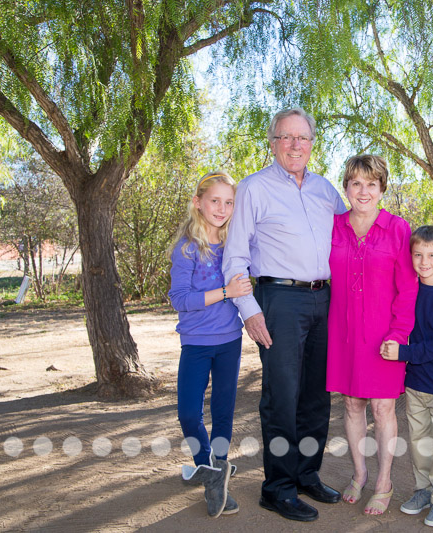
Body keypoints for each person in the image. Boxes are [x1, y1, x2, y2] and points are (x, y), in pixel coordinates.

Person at [222, 108, 347, 522]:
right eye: (287, 137)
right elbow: (235, 256)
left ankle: (306, 475)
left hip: (324, 300)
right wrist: (250, 311)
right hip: (278, 301)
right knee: (282, 398)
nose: (296, 145)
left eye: (303, 138)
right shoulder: (254, 189)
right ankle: (276, 488)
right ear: (273, 143)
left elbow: (350, 240)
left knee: (315, 397)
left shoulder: (327, 191)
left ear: (313, 143)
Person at [327, 154, 419, 515]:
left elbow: (408, 289)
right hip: (344, 332)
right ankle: (360, 473)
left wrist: (398, 335)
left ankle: (384, 481)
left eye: (371, 184)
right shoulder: (332, 226)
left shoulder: (398, 229)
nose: (363, 191)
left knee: (383, 408)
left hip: (385, 335)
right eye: (355, 183)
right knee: (351, 404)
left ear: (382, 189)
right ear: (346, 187)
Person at [167, 171, 253, 518]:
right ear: (198, 203)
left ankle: (216, 480)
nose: (221, 208)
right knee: (188, 413)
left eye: (228, 202)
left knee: (222, 414)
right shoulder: (186, 248)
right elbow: (179, 299)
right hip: (197, 343)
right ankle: (208, 466)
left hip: (229, 342)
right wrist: (225, 292)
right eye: (214, 200)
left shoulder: (237, 244)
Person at [381, 225, 433, 528]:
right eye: (418, 255)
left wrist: (403, 353)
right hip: (414, 383)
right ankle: (423, 490)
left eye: (431, 255)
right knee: (419, 442)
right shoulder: (410, 290)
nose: (424, 261)